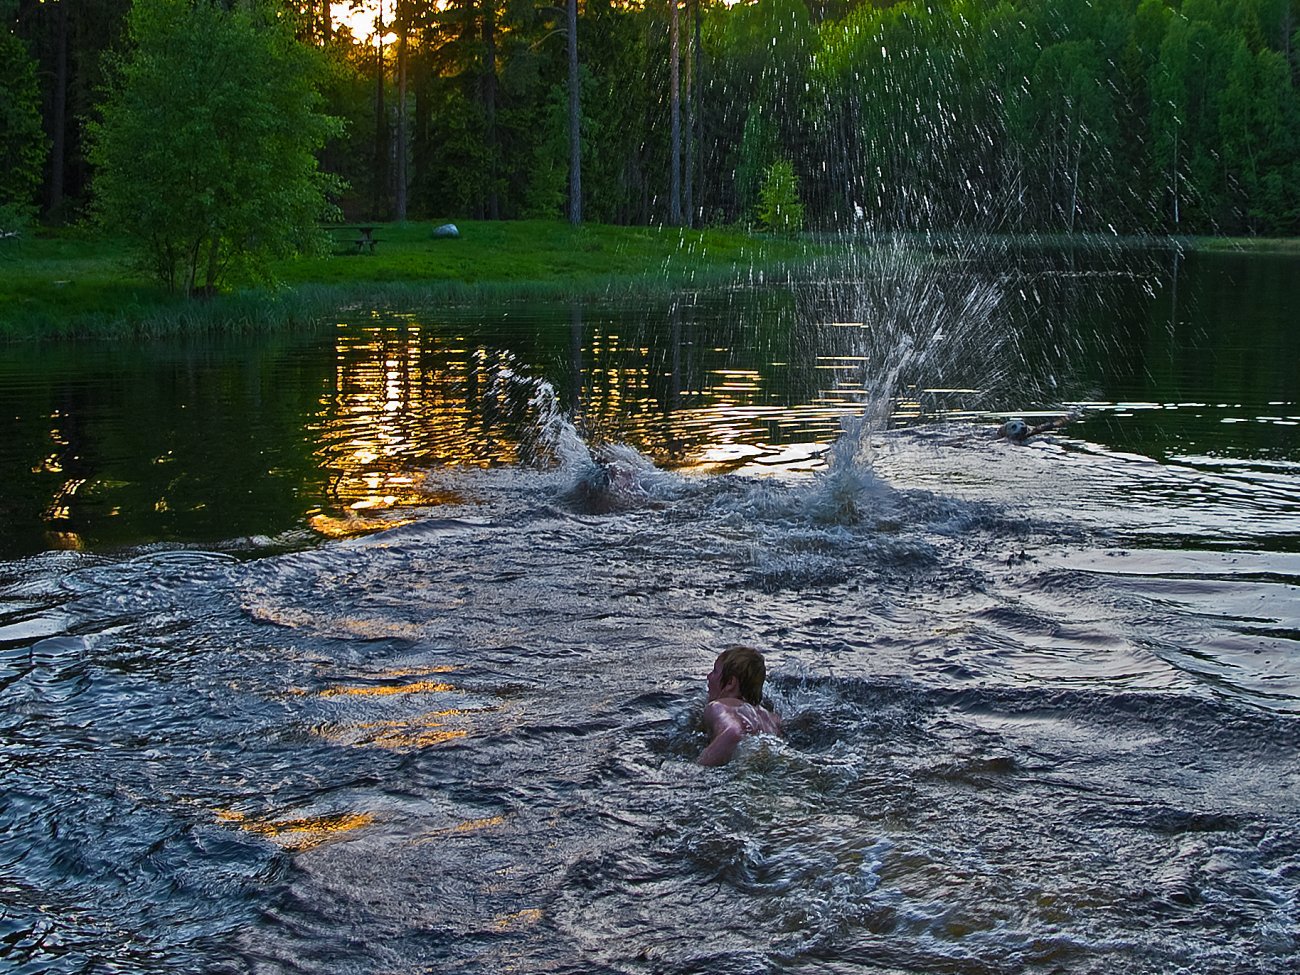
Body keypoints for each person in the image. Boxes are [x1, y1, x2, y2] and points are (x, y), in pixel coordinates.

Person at [698, 645, 783, 766]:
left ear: (730, 683)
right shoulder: (771, 719)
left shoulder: (718, 706)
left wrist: (695, 772)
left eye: (715, 671)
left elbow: (733, 732)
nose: (709, 676)